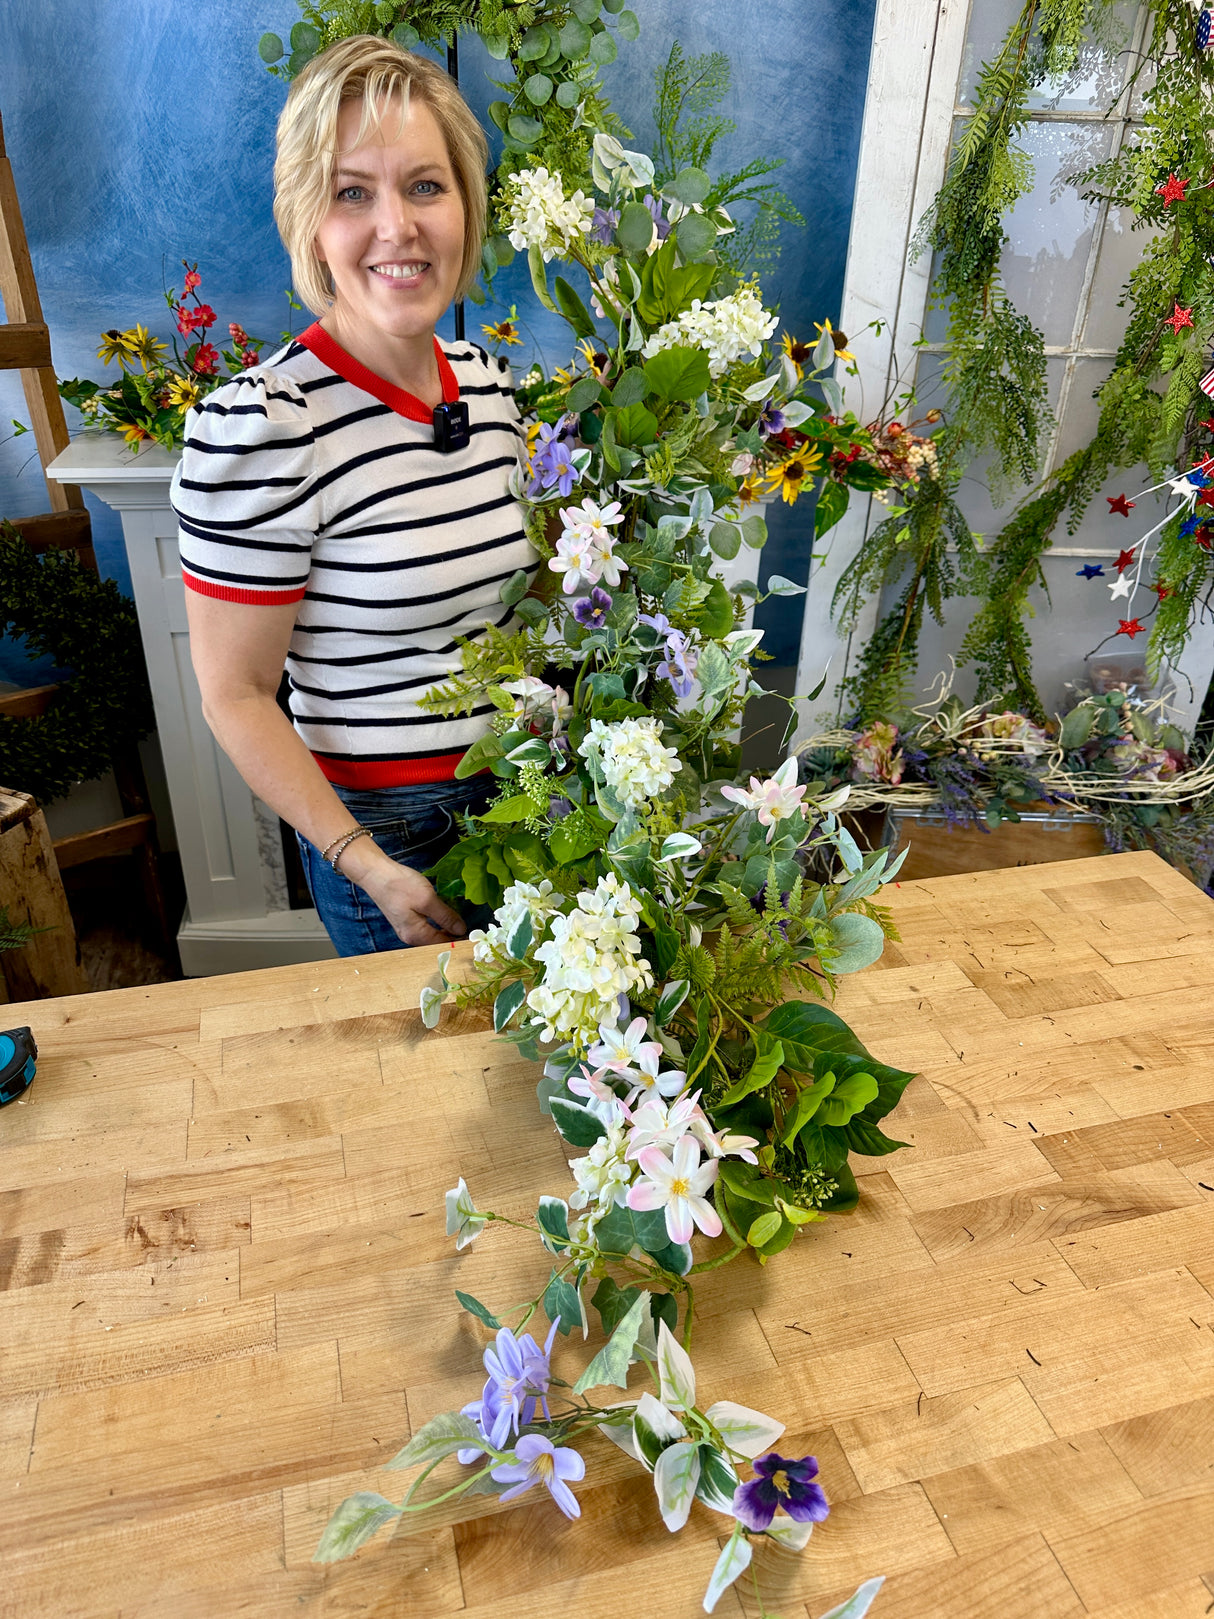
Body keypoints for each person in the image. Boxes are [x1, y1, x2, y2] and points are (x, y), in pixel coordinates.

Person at [172, 36, 537, 955]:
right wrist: (365, 861)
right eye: (352, 192)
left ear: (466, 205)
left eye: (425, 186)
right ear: (308, 222)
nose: (397, 228)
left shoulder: (490, 385)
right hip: (390, 836)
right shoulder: (264, 428)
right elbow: (237, 693)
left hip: (532, 802)